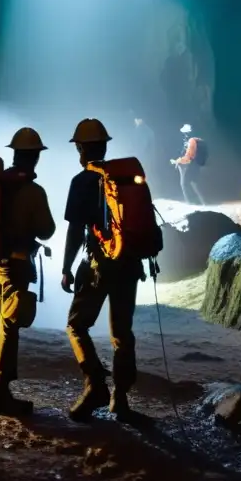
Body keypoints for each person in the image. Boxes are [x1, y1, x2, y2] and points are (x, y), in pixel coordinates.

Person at [0, 127, 56, 416]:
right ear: (35, 158)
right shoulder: (33, 191)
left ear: (14, 154)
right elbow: (47, 230)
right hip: (14, 268)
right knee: (9, 329)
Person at [61, 117, 143, 422]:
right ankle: (119, 400)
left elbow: (75, 230)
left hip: (98, 265)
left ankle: (95, 382)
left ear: (80, 148)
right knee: (122, 333)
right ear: (105, 146)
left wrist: (66, 267)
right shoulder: (124, 178)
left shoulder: (81, 182)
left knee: (76, 325)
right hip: (130, 264)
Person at [171, 123, 206, 206]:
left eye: (185, 133)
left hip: (188, 165)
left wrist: (178, 161)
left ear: (188, 133)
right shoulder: (199, 140)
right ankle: (203, 202)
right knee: (194, 183)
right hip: (196, 164)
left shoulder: (192, 141)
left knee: (184, 183)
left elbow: (188, 156)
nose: (184, 135)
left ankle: (191, 203)